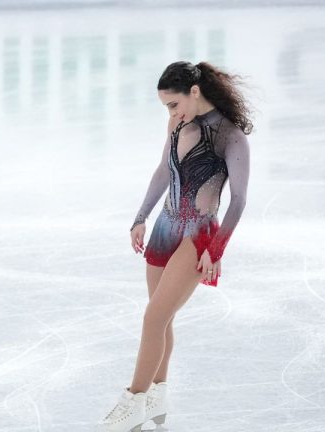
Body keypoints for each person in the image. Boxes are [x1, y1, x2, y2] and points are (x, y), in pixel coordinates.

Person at [100, 61, 251, 432]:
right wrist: (140, 217)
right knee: (161, 318)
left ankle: (132, 401)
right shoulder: (178, 124)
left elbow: (238, 200)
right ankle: (156, 398)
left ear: (194, 92)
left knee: (153, 318)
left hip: (198, 235)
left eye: (173, 104)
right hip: (166, 228)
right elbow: (164, 171)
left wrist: (215, 250)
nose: (171, 112)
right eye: (167, 107)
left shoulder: (231, 136)